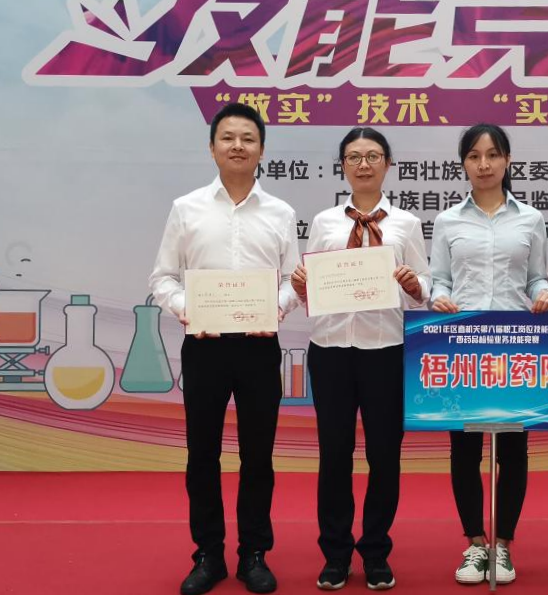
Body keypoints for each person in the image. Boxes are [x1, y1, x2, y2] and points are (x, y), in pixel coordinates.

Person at [150, 103, 301, 595]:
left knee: (258, 456)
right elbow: (162, 278)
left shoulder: (281, 213)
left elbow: (294, 282)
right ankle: (208, 554)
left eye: (248, 138)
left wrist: (274, 310)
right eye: (228, 137)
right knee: (202, 455)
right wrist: (188, 309)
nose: (238, 146)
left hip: (259, 349)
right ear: (212, 147)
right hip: (204, 347)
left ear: (262, 150)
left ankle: (254, 553)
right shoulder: (186, 208)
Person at [290, 127, 431, 591]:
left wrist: (414, 284)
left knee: (384, 455)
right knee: (334, 455)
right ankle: (335, 554)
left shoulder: (406, 223)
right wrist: (302, 284)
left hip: (384, 350)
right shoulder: (325, 221)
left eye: (373, 156)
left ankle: (375, 552)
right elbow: (313, 283)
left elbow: (425, 287)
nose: (364, 164)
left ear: (388, 164)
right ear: (343, 166)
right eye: (354, 157)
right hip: (330, 349)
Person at [429, 124, 548, 585]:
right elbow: (439, 279)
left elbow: (537, 277)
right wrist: (438, 298)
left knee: (513, 451)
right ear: (463, 163)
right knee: (464, 450)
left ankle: (503, 545)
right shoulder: (447, 221)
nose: (483, 164)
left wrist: (544, 294)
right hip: (463, 345)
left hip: (513, 343)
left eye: (493, 155)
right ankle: (474, 545)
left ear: (507, 160)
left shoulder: (531, 219)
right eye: (474, 156)